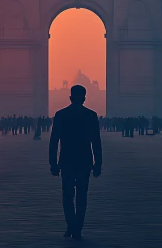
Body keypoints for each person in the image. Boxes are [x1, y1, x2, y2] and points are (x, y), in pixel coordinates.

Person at [49, 85, 103, 241]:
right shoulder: (91, 116)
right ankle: (77, 226)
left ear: (70, 98)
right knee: (81, 196)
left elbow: (54, 142)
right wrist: (98, 163)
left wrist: (53, 163)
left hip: (66, 161)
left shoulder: (60, 115)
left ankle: (71, 224)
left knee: (67, 195)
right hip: (84, 161)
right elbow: (96, 142)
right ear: (84, 98)